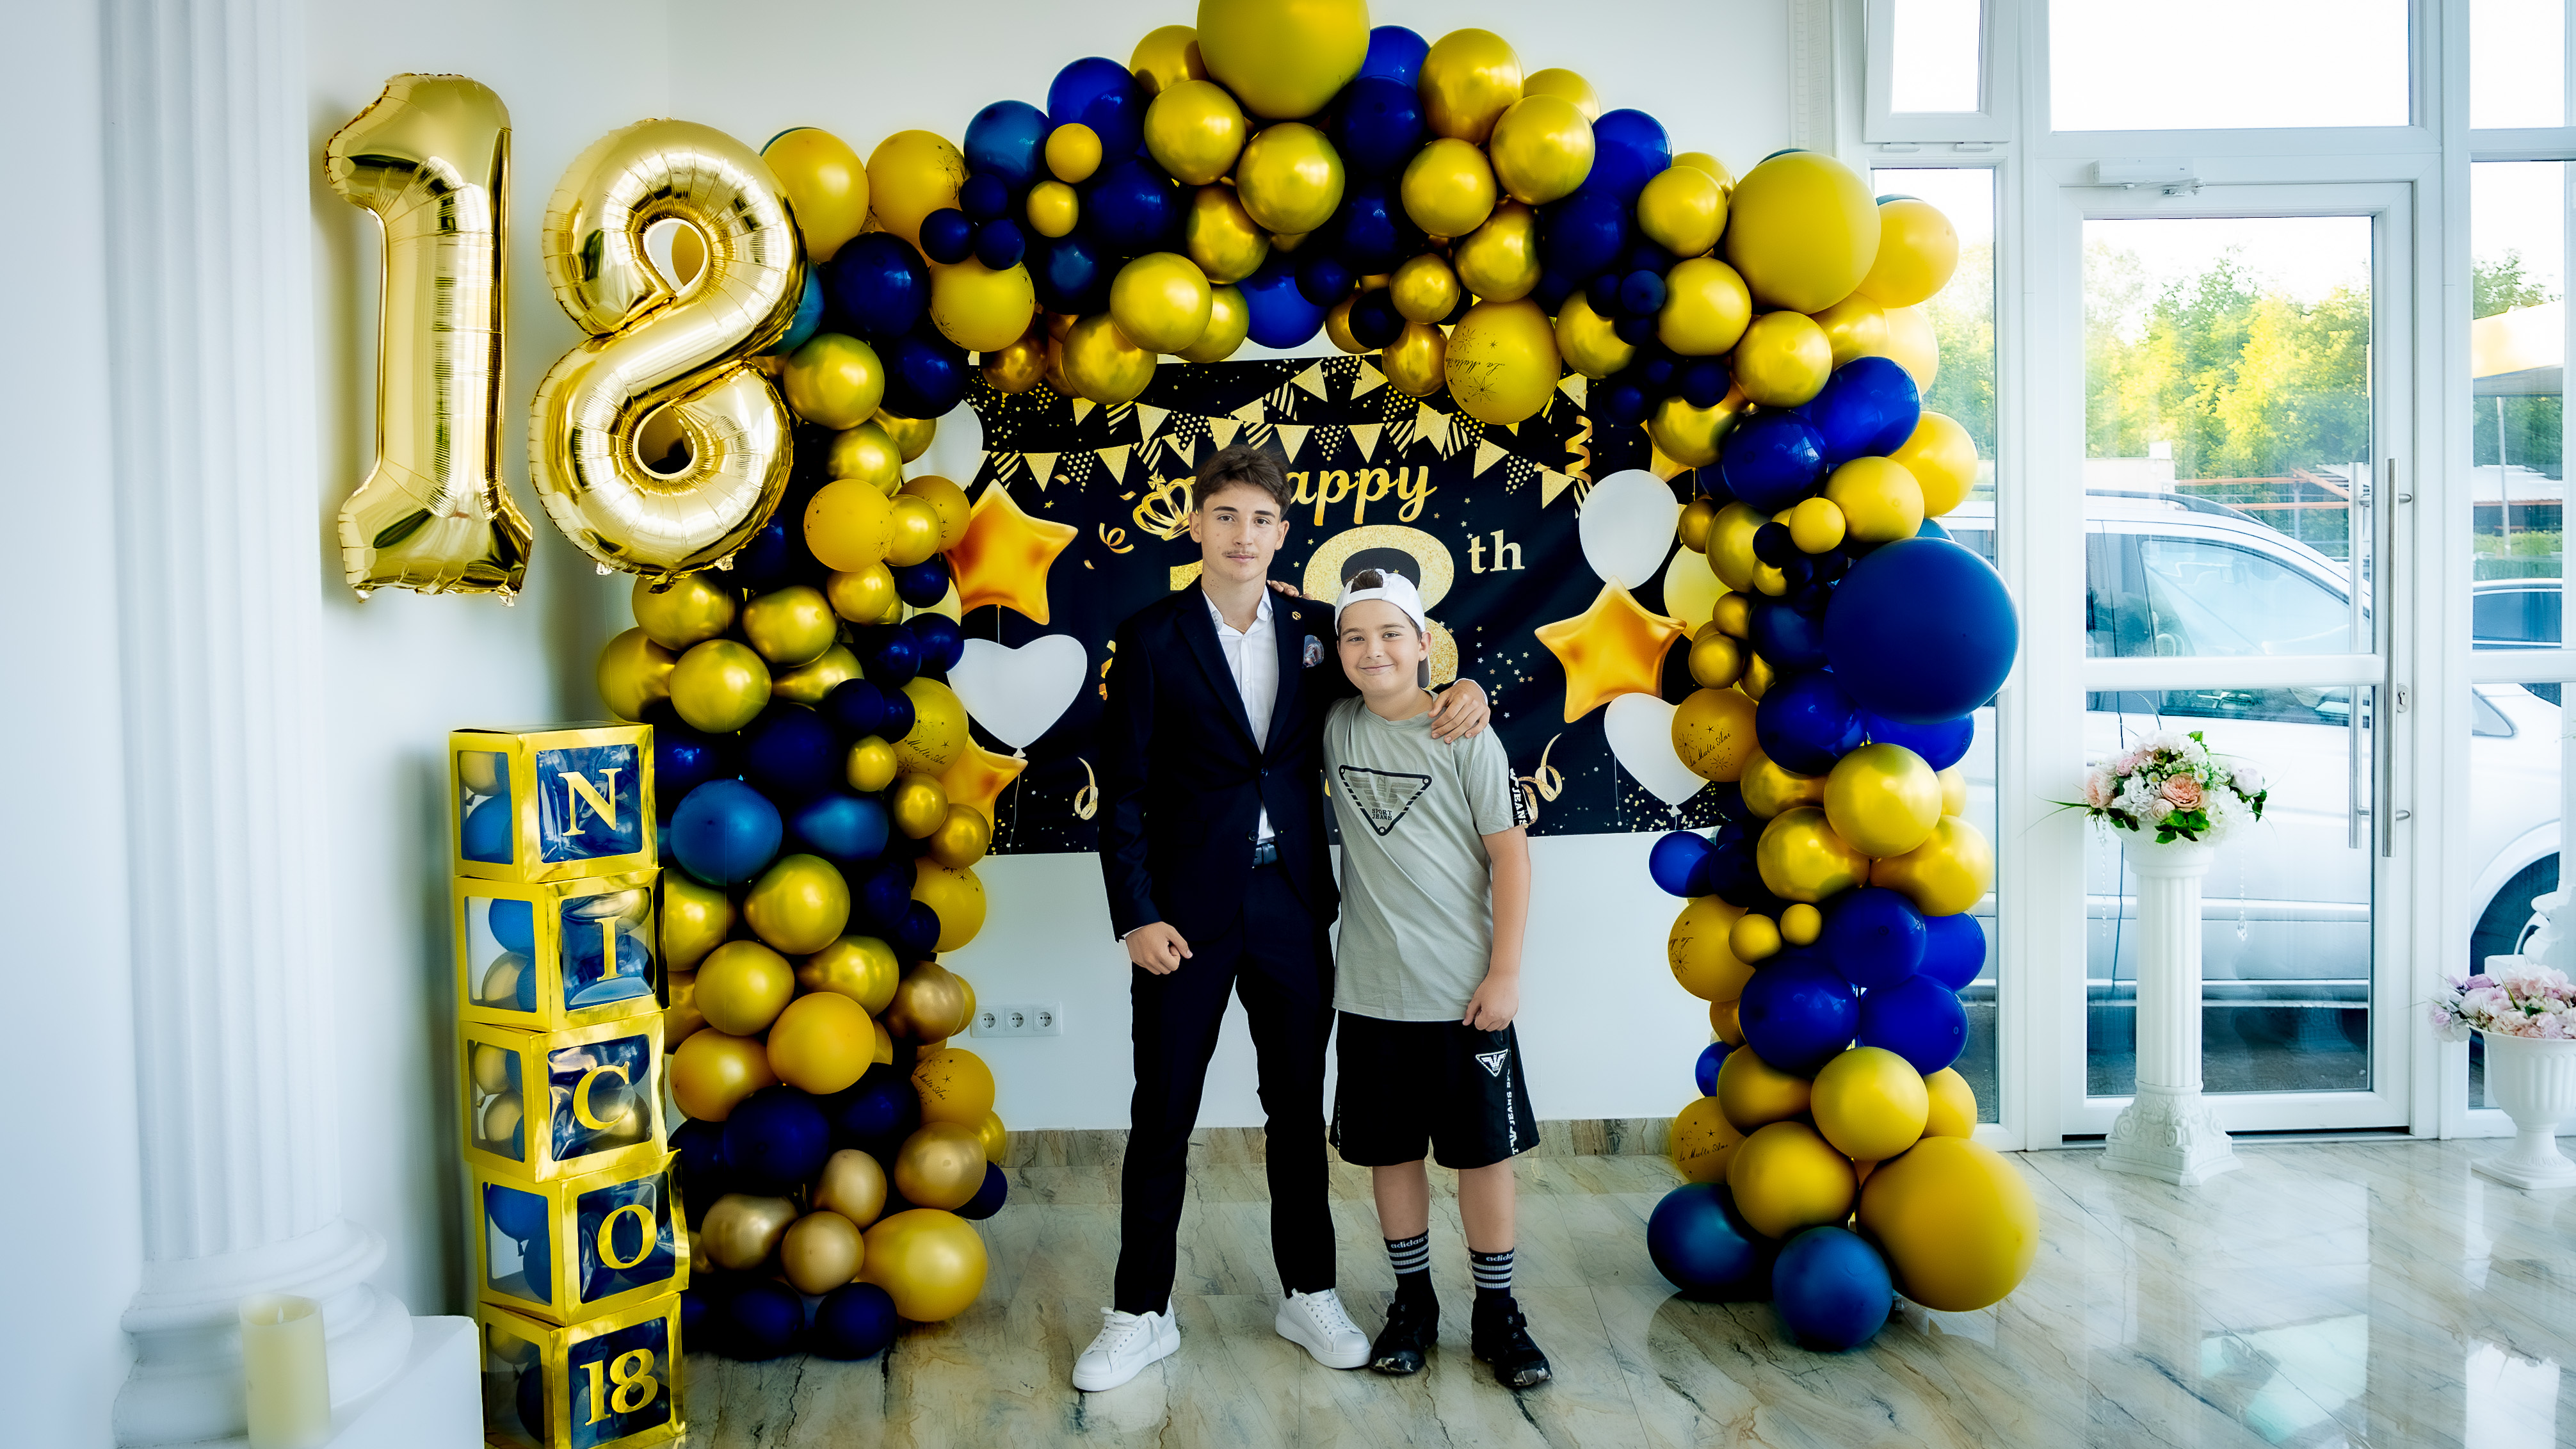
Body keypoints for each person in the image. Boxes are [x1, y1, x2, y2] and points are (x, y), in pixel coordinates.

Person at [1075, 446, 1491, 1393]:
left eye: (1261, 519)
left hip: (1293, 906)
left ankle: (1308, 1290)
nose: (1243, 534)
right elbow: (1124, 791)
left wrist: (1464, 688)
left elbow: (1396, 683)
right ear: (1195, 524)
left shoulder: (1316, 629)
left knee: (1298, 1113)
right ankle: (1140, 1311)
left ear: (1282, 532)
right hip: (1182, 916)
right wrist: (1135, 914)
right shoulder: (1149, 636)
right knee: (1162, 1114)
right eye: (1225, 515)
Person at [1321, 569, 1549, 1390]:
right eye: (1355, 637)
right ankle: (1412, 1301)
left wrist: (1505, 972)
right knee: (1391, 1154)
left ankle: (1498, 1311)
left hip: (1464, 995)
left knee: (1482, 1156)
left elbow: (1509, 857)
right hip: (1370, 994)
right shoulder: (1335, 726)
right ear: (1337, 651)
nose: (1373, 650)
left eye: (1391, 634)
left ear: (1425, 643)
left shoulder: (1466, 735)